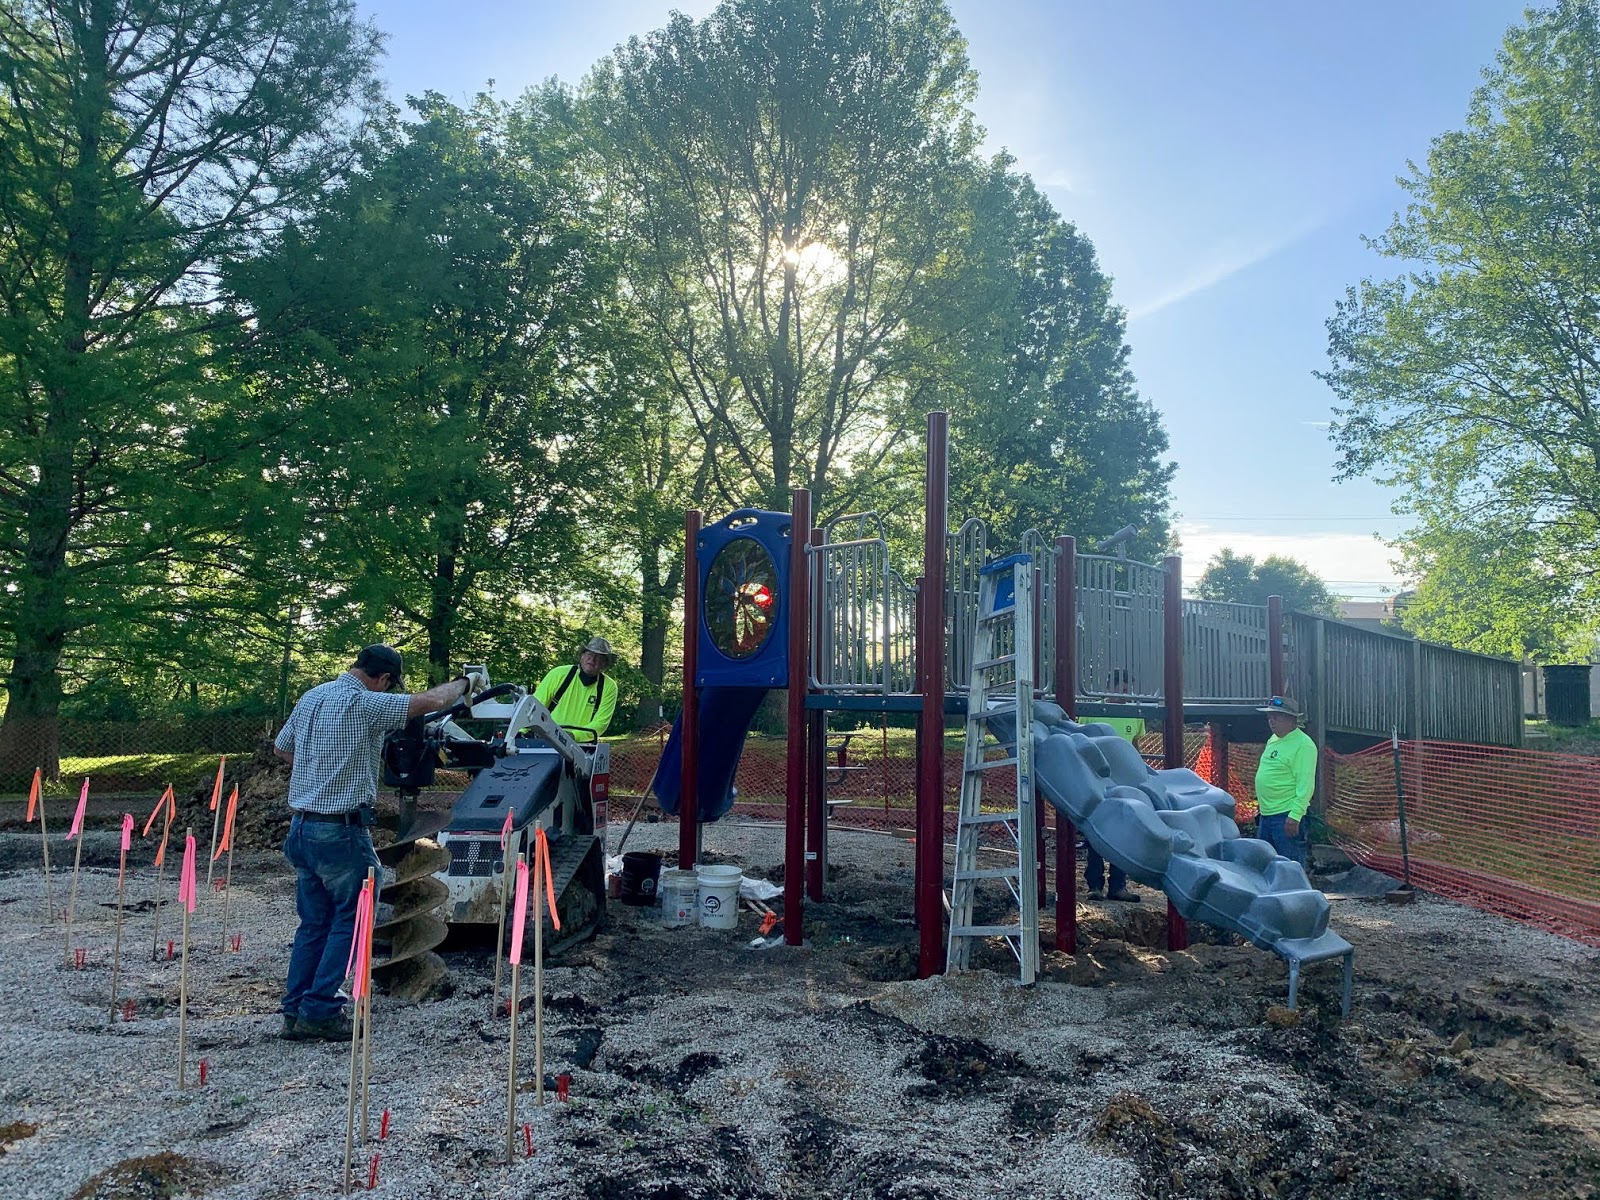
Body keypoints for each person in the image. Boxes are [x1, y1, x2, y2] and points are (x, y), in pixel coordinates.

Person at [273, 645, 480, 1041]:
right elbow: (432, 701)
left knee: (313, 923)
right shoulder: (366, 704)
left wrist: (321, 770)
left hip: (300, 828)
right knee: (352, 921)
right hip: (341, 833)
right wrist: (468, 682)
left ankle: (294, 1009)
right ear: (384, 679)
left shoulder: (312, 697)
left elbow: (284, 748)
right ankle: (320, 1011)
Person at [1086, 669, 1144, 903]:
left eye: (1128, 690)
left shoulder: (1133, 712)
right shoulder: (1093, 712)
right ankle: (1095, 885)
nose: (1125, 695)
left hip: (1123, 784)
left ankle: (1118, 885)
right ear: (1109, 686)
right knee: (1095, 833)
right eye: (1121, 690)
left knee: (1123, 834)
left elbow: (1136, 748)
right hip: (1098, 782)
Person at [1254, 694, 1316, 866]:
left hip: (1286, 816)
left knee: (1290, 868)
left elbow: (1306, 785)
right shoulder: (1273, 740)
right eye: (1269, 717)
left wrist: (1295, 815)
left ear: (1291, 719)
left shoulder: (1304, 745)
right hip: (1266, 816)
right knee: (1267, 867)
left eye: (1276, 717)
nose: (1271, 721)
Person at [532, 637, 619, 743]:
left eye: (599, 657)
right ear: (582, 656)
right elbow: (535, 706)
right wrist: (522, 731)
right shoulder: (558, 674)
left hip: (583, 746)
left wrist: (573, 736)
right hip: (547, 739)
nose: (592, 659)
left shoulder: (609, 686)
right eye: (589, 654)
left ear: (605, 663)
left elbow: (601, 723)